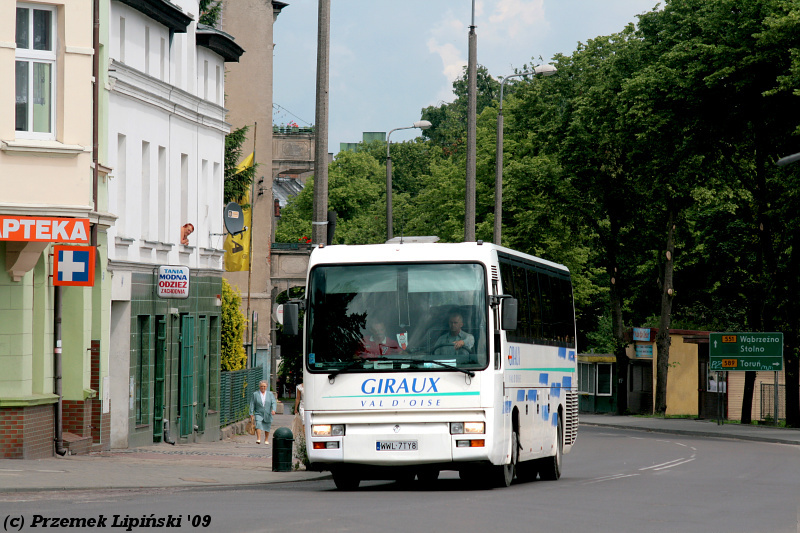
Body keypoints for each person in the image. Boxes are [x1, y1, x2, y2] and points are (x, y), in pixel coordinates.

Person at [249, 380, 277, 445]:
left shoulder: (270, 394)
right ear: (259, 386)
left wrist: (273, 410)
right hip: (258, 412)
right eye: (261, 386)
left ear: (267, 386)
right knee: (258, 424)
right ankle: (258, 439)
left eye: (264, 386)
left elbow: (273, 402)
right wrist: (251, 412)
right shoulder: (255, 394)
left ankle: (266, 439)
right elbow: (252, 403)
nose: (263, 388)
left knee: (267, 426)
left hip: (267, 413)